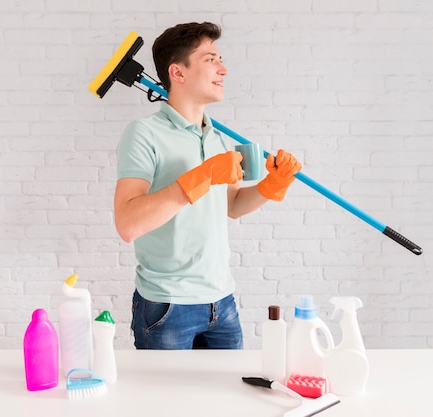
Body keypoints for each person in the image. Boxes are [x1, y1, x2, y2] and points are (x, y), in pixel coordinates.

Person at [114, 22, 301, 350]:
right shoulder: (143, 133)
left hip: (222, 302)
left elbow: (231, 206)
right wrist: (199, 176)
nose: (223, 69)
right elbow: (128, 224)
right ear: (178, 72)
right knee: (169, 403)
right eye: (211, 59)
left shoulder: (217, 137)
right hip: (167, 306)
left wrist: (272, 186)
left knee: (230, 400)